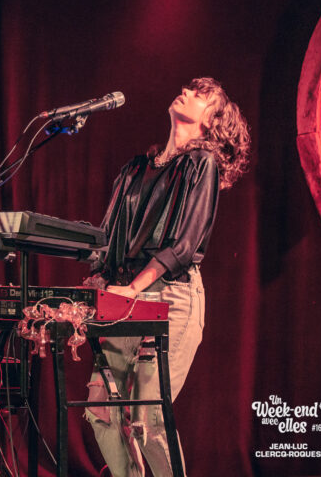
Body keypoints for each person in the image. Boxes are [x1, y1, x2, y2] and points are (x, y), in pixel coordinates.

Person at [84, 77, 250, 477]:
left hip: (172, 297)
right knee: (100, 409)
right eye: (189, 87)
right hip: (126, 294)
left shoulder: (201, 164)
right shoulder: (135, 169)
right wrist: (97, 278)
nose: (186, 92)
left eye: (200, 95)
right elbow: (106, 236)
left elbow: (183, 246)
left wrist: (132, 288)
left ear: (211, 121)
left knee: (147, 417)